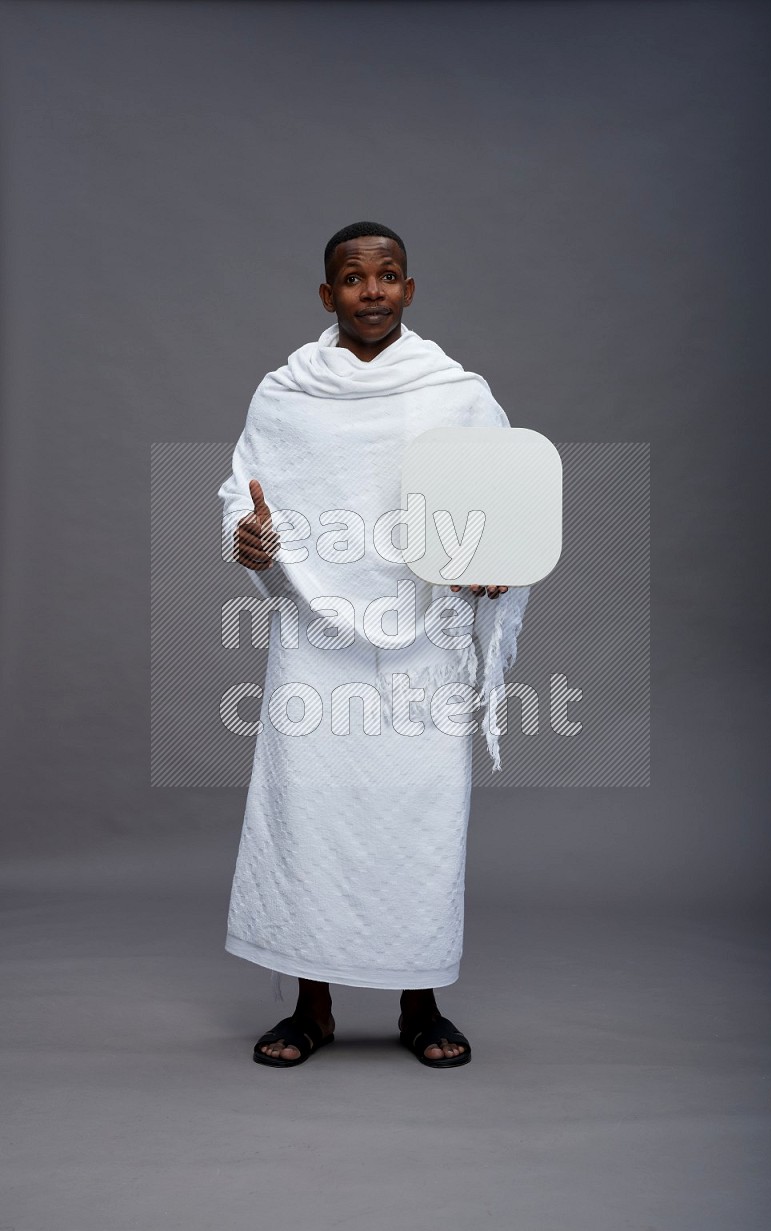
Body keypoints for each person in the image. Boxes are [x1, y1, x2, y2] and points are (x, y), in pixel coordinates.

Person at [218, 221, 529, 1069]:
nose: (372, 291)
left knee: (417, 819)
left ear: (410, 289)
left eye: (388, 275)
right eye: (354, 279)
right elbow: (241, 494)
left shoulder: (454, 392)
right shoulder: (285, 394)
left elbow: (503, 495)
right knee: (309, 814)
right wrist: (246, 537)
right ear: (328, 296)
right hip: (315, 639)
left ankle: (419, 1002)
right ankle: (310, 1008)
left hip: (424, 642)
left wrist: (495, 562)